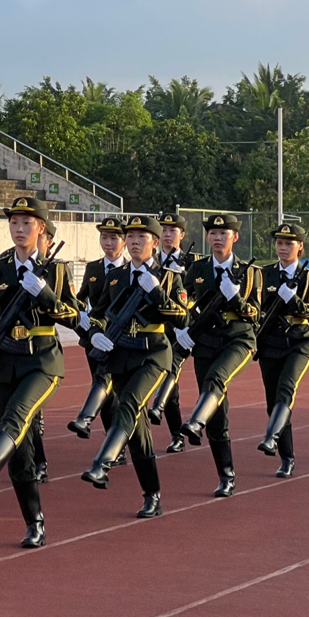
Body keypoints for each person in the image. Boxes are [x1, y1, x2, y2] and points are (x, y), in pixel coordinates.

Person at [0, 198, 79, 548]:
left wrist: (44, 296)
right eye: (14, 222)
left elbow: (71, 315)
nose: (19, 228)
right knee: (21, 451)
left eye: (27, 223)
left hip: (42, 361)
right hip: (6, 361)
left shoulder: (55, 271)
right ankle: (34, 522)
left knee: (15, 416)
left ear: (41, 228)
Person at [75, 214, 189, 519]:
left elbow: (181, 318)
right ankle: (152, 494)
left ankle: (103, 462)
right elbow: (98, 313)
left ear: (154, 242)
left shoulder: (169, 276)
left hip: (153, 355)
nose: (136, 242)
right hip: (121, 354)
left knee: (127, 405)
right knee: (137, 431)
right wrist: (95, 333)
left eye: (142, 237)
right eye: (132, 237)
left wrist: (156, 292)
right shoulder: (116, 276)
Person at [174, 213, 263, 497]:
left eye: (223, 233)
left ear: (234, 237)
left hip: (238, 339)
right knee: (217, 412)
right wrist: (183, 328)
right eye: (212, 233)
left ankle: (194, 422)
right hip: (206, 341)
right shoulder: (198, 269)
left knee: (216, 378)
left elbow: (256, 314)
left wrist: (235, 298)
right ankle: (226, 474)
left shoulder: (251, 272)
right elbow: (182, 302)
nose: (217, 237)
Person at [256, 223, 309, 478]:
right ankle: (286, 454)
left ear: (300, 246)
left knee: (286, 389)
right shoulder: (264, 274)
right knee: (272, 401)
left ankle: (274, 441)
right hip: (270, 342)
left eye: (289, 243)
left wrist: (294, 300)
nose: (283, 248)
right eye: (279, 243)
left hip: (299, 341)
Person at [68, 216, 127, 443]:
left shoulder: (131, 270)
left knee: (113, 389)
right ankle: (112, 439)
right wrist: (80, 313)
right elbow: (81, 297)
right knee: (102, 390)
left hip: (120, 338)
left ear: (123, 241)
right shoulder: (93, 268)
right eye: (104, 237)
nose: (108, 242)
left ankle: (116, 438)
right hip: (94, 337)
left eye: (114, 238)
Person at [146, 212, 192, 453]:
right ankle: (178, 434)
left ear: (181, 235)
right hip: (154, 328)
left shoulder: (192, 262)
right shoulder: (150, 260)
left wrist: (182, 274)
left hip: (182, 330)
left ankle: (186, 428)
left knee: (171, 372)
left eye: (172, 230)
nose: (166, 234)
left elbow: (195, 297)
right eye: (163, 230)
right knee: (169, 386)